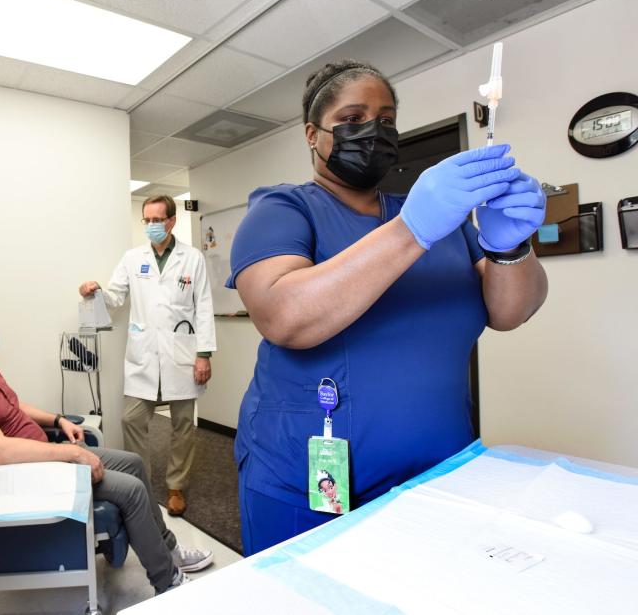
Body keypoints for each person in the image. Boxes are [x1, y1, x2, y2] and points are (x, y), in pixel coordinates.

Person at [227, 60, 548, 555]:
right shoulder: (283, 209)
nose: (373, 131)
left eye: (387, 118)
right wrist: (411, 231)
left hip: (441, 471)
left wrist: (510, 246)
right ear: (313, 135)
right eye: (353, 118)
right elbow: (283, 316)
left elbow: (510, 312)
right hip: (310, 483)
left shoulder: (444, 222)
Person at [0, 297, 214, 594]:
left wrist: (58, 419)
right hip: (20, 474)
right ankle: (167, 582)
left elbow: (11, 407)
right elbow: (1, 452)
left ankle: (169, 550)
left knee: (133, 463)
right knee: (132, 490)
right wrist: (72, 452)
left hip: (42, 457)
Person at [79, 195, 216, 516]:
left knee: (183, 423)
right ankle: (139, 481)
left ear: (171, 221)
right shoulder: (132, 257)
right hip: (143, 353)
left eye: (158, 220)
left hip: (182, 352)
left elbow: (205, 305)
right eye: (147, 220)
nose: (152, 226)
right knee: (132, 418)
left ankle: (176, 486)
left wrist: (204, 354)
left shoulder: (192, 257)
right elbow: (115, 296)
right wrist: (95, 289)